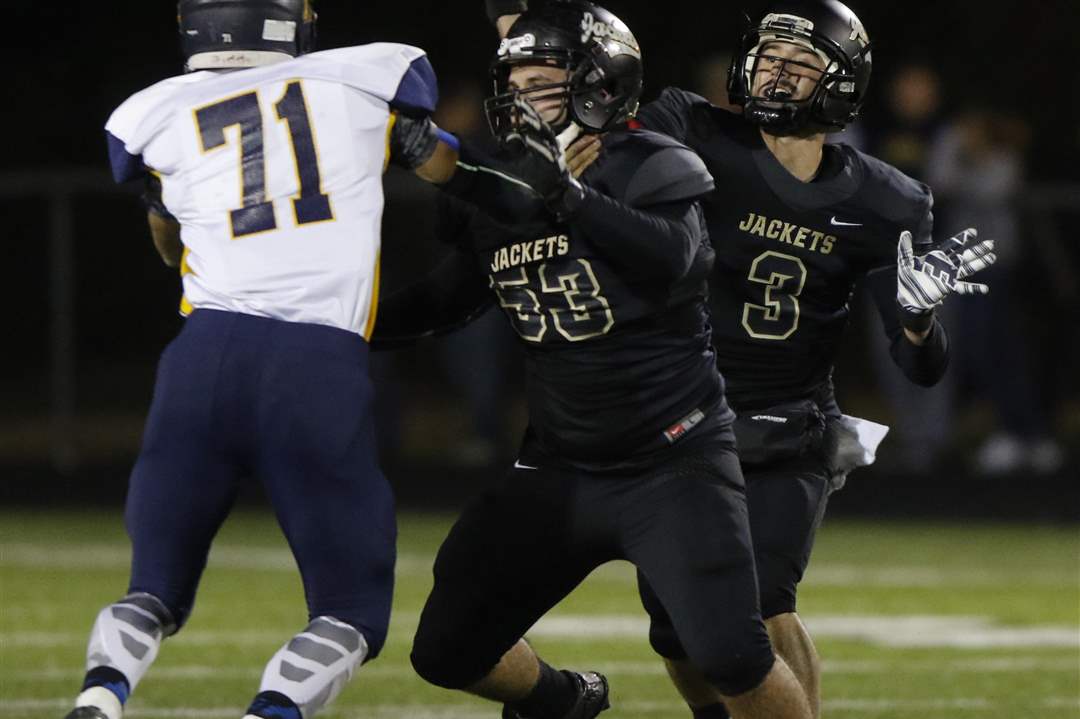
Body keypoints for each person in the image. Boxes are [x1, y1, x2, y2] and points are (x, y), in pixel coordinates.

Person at [482, 2, 998, 719]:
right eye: (769, 55)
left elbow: (920, 368)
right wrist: (532, 40)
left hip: (786, 430)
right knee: (678, 624)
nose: (777, 74)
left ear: (844, 82)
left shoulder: (889, 199)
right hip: (677, 420)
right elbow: (595, 122)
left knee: (756, 600)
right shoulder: (690, 126)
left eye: (801, 62)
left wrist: (917, 320)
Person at [376, 3, 815, 718]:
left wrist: (568, 197)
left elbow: (677, 259)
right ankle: (562, 699)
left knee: (731, 655)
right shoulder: (501, 187)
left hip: (672, 461)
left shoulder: (649, 159)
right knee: (446, 649)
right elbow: (449, 299)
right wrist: (336, 325)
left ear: (601, 85)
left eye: (542, 83)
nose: (523, 102)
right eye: (513, 87)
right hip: (560, 466)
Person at [64, 2, 457, 718]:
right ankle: (270, 711)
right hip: (314, 362)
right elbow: (445, 164)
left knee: (151, 589)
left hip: (203, 355)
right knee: (350, 608)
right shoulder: (362, 79)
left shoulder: (157, 112)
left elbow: (168, 239)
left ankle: (100, 693)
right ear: (291, 25)